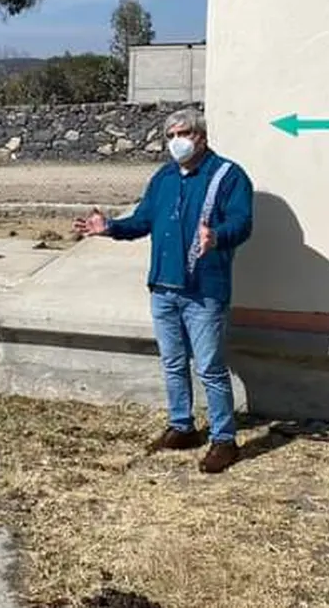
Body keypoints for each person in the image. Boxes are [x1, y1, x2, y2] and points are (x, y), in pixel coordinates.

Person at [73, 107, 253, 474]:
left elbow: (242, 222)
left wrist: (217, 236)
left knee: (210, 368)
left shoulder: (227, 176)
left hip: (204, 290)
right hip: (163, 288)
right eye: (170, 135)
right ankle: (181, 426)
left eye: (183, 133)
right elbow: (143, 221)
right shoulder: (164, 178)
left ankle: (223, 440)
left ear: (201, 136)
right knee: (172, 362)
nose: (176, 141)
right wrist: (109, 227)